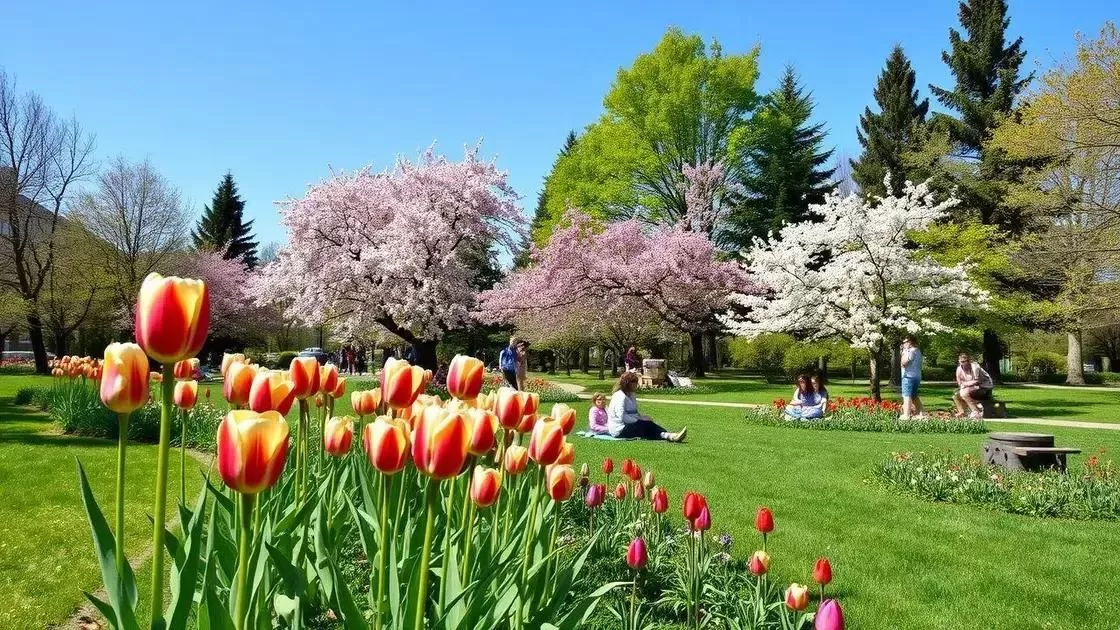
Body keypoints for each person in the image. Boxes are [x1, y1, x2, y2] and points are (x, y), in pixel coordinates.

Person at [607, 372, 687, 441]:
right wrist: (639, 420)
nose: (636, 385)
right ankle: (669, 436)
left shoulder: (631, 395)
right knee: (646, 426)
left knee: (648, 424)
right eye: (634, 383)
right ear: (627, 383)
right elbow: (622, 417)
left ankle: (668, 435)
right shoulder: (620, 396)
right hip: (620, 429)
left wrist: (642, 418)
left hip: (629, 424)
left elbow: (634, 412)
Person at [954, 353, 994, 419]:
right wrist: (963, 386)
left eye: (964, 361)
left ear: (968, 361)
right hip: (971, 386)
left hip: (985, 387)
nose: (962, 364)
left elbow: (976, 381)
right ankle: (962, 412)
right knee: (956, 395)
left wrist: (964, 384)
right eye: (961, 362)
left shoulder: (975, 368)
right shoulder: (959, 369)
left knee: (964, 393)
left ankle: (976, 412)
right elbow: (959, 381)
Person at [900, 336, 924, 419]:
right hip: (917, 376)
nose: (904, 344)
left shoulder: (910, 351)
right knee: (914, 395)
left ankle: (906, 415)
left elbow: (904, 363)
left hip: (908, 376)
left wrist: (904, 352)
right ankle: (920, 413)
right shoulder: (918, 351)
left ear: (910, 342)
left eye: (905, 342)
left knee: (906, 395)